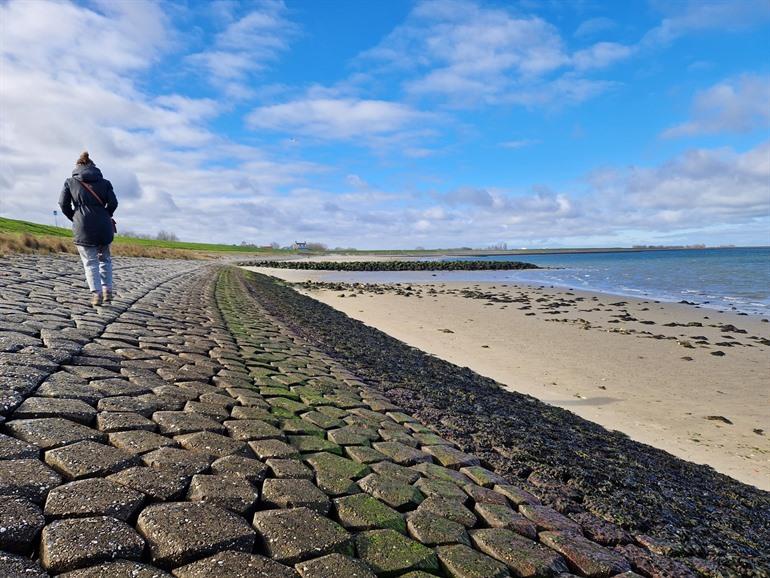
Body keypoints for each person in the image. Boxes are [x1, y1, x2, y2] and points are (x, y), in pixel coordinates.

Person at [59, 151, 118, 306]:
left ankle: (97, 294)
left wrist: (74, 217)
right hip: (103, 225)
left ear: (77, 166)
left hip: (82, 225)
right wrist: (106, 214)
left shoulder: (70, 182)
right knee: (105, 259)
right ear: (93, 166)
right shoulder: (105, 183)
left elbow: (63, 204)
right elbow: (113, 203)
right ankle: (107, 290)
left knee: (90, 262)